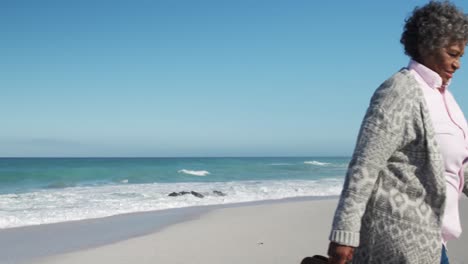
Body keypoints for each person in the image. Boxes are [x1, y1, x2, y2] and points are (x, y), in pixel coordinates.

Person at [327, 1, 468, 263]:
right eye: (452, 53)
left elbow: (458, 165)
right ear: (426, 45)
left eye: (461, 54)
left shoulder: (446, 99)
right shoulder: (399, 91)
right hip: (399, 238)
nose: (458, 64)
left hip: (436, 238)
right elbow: (365, 164)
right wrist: (344, 233)